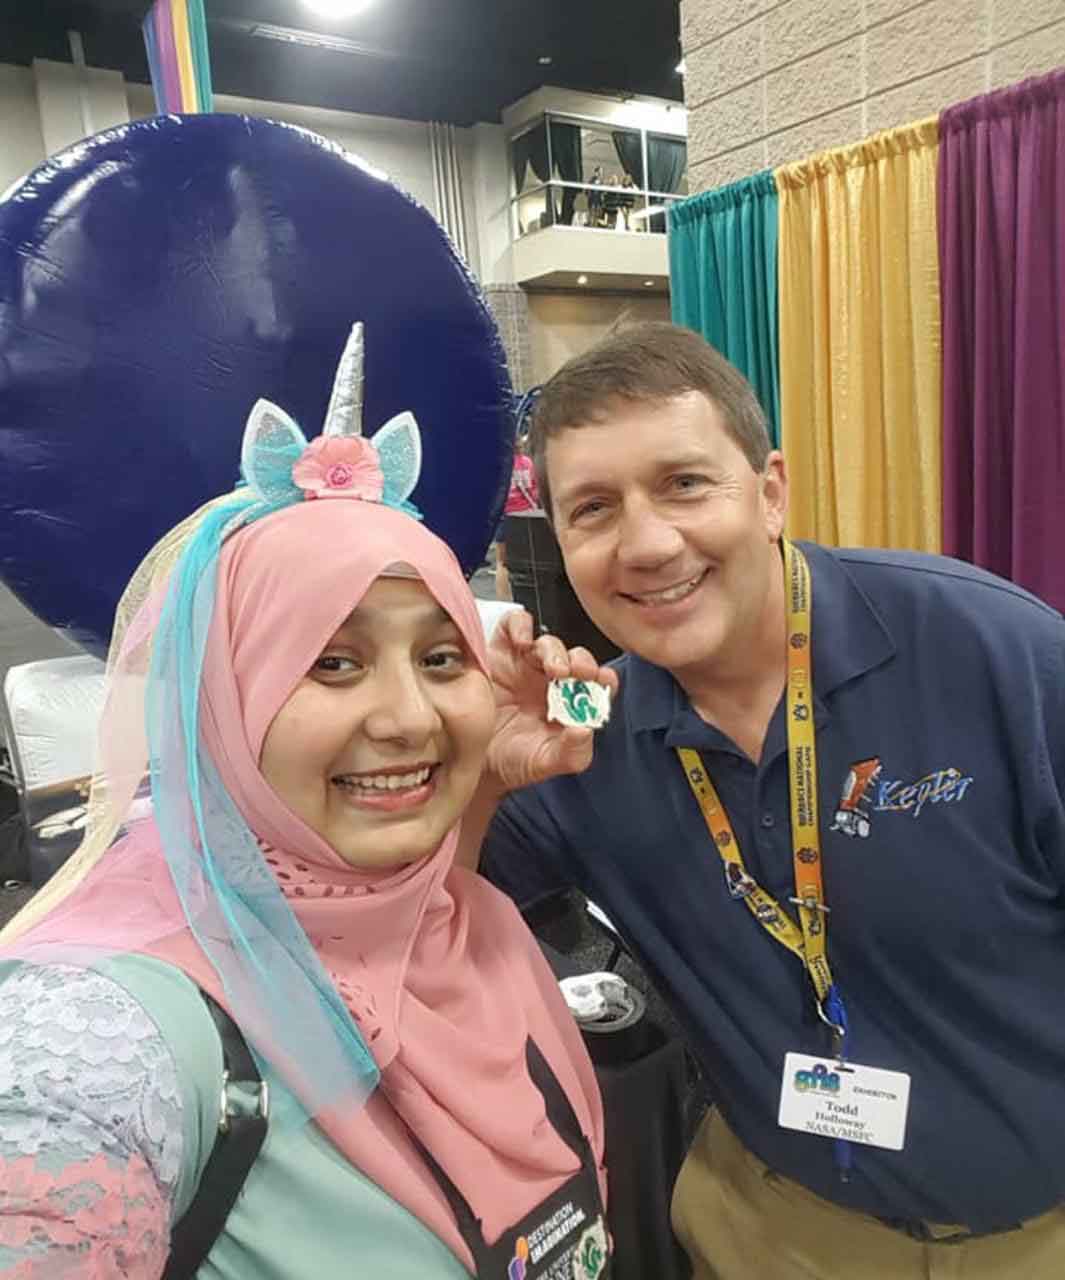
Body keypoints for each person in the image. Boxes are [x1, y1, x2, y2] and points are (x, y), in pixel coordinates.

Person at [0, 327, 618, 1279]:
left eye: (440, 656)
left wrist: (484, 777)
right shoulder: (103, 1034)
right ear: (224, 697)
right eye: (330, 662)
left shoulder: (462, 924)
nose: (409, 717)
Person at [463, 322, 1065, 1278]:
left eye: (683, 484)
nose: (646, 544)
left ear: (770, 491)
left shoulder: (992, 653)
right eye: (592, 509)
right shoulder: (587, 729)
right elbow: (419, 920)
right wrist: (481, 770)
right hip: (768, 1229)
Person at [494, 431, 542, 601]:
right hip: (527, 515)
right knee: (531, 560)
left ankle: (504, 600)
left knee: (502, 562)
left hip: (505, 516)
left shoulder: (500, 465)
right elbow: (536, 490)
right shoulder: (527, 463)